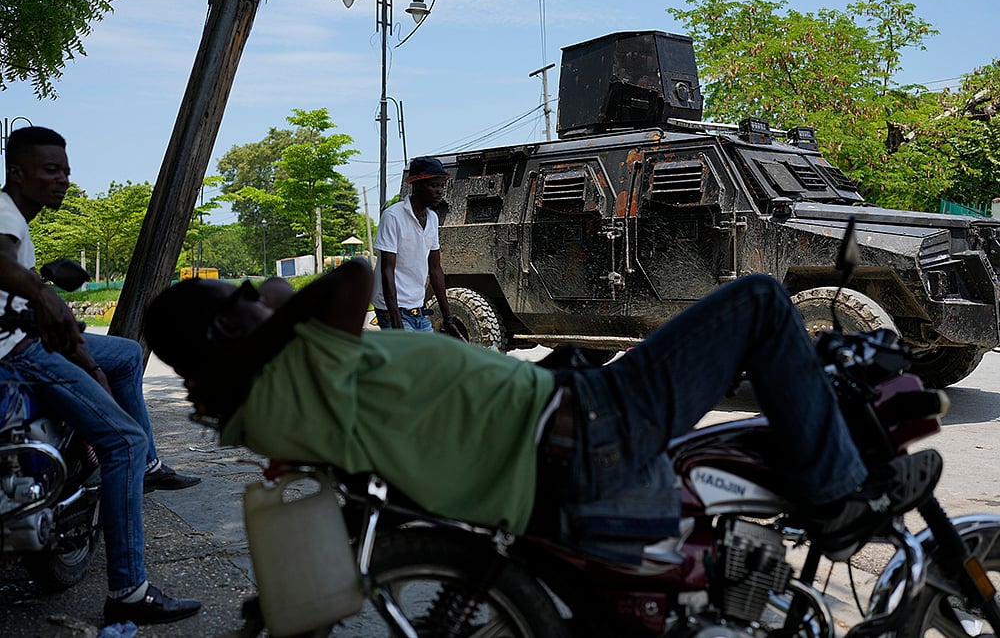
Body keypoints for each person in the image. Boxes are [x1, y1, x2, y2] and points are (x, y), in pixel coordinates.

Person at [145, 258, 941, 564]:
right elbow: (350, 278)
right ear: (225, 329)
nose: (259, 294)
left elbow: (308, 298)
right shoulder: (290, 367)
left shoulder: (266, 397)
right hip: (586, 426)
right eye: (239, 297)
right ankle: (839, 500)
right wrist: (273, 310)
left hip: (561, 425)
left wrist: (262, 319)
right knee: (764, 301)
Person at [0, 127, 201, 625]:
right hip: (18, 353)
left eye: (65, 171)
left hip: (28, 339)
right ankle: (129, 591)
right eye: (50, 170)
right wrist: (44, 295)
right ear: (17, 172)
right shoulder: (4, 214)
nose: (61, 180)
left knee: (128, 355)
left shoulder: (17, 219)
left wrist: (50, 305)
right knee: (124, 443)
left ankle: (147, 466)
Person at [371, 155, 465, 338]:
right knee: (411, 363)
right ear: (417, 185)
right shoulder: (393, 216)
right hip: (392, 310)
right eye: (434, 185)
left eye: (441, 186)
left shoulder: (432, 219)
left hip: (417, 309)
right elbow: (387, 271)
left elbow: (436, 269)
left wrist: (448, 319)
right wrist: (396, 321)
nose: (440, 191)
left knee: (430, 361)